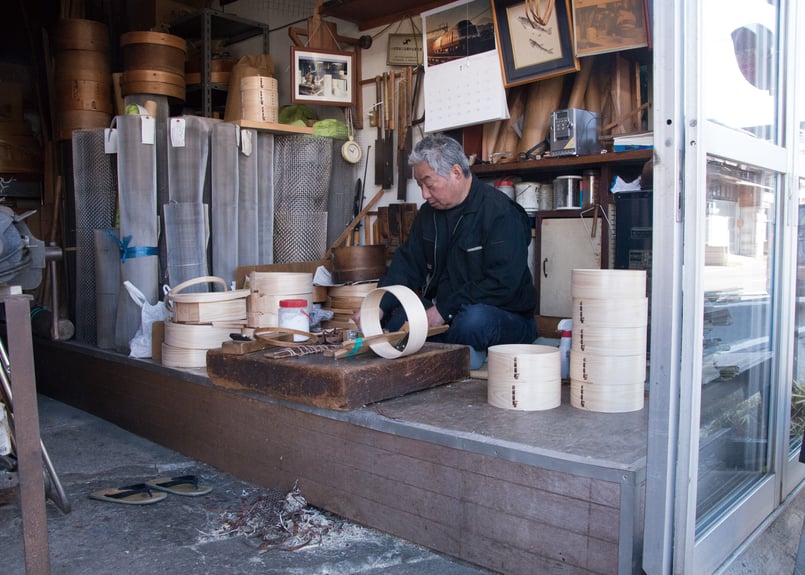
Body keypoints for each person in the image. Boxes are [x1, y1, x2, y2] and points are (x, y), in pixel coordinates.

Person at [353, 133, 537, 369]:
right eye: (420, 186)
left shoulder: (500, 213)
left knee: (473, 322)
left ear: (456, 173)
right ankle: (459, 352)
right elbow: (408, 265)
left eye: (429, 185)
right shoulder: (428, 215)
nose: (424, 195)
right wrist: (379, 305)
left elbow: (503, 282)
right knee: (398, 316)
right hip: (449, 313)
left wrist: (442, 311)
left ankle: (450, 350)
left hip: (503, 315)